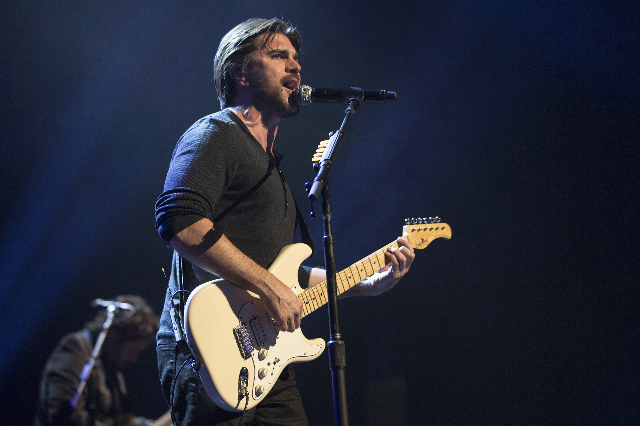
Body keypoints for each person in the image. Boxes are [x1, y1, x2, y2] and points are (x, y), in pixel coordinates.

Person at [154, 17, 415, 425]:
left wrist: (367, 283)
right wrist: (269, 286)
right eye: (278, 56)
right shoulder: (215, 133)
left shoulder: (271, 169)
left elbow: (287, 276)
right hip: (209, 351)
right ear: (240, 72)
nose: (295, 66)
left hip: (266, 360)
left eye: (295, 58)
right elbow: (179, 219)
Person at [35, 295, 160, 426]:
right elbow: (63, 415)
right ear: (113, 335)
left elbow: (116, 421)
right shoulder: (74, 349)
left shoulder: (109, 365)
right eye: (132, 350)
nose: (134, 358)